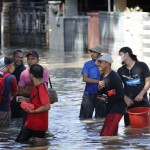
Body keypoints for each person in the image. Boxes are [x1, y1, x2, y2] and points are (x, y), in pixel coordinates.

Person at [15, 64, 50, 143]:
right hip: (30, 123)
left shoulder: (42, 88)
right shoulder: (36, 87)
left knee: (39, 146)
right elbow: (36, 101)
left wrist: (34, 111)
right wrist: (26, 99)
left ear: (31, 75)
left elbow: (47, 106)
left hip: (39, 124)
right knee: (19, 142)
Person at [117, 47, 150, 127]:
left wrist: (141, 94)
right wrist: (125, 98)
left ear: (127, 54)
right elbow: (118, 87)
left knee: (144, 128)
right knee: (128, 128)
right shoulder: (120, 70)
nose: (119, 57)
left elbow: (148, 81)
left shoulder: (142, 65)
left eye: (120, 54)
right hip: (128, 103)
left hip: (143, 101)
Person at [97, 53, 126, 136]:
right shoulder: (102, 76)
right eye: (98, 62)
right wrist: (99, 88)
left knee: (106, 135)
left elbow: (120, 95)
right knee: (111, 135)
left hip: (117, 109)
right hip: (109, 108)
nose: (98, 64)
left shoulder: (114, 77)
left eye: (100, 62)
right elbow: (101, 93)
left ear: (107, 63)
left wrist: (106, 99)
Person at [18, 50, 49, 124]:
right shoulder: (24, 73)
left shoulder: (44, 71)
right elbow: (20, 90)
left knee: (39, 122)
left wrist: (28, 88)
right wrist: (34, 90)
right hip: (28, 102)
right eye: (29, 59)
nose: (30, 61)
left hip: (40, 102)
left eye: (33, 59)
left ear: (38, 60)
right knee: (26, 122)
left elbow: (44, 88)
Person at [79, 44, 105, 119]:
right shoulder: (87, 64)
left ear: (99, 54)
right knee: (85, 118)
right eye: (91, 52)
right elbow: (85, 78)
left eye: (94, 52)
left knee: (101, 118)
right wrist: (98, 82)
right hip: (88, 94)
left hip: (101, 95)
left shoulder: (104, 64)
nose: (92, 54)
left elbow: (105, 77)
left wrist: (98, 65)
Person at [0, 58, 18, 127]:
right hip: (5, 110)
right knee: (4, 133)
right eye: (12, 65)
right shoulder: (11, 77)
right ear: (8, 66)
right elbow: (15, 93)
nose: (13, 67)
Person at [11, 49, 26, 118]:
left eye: (21, 57)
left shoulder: (23, 70)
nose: (20, 59)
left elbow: (20, 88)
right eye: (18, 57)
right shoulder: (9, 67)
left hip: (17, 100)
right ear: (13, 57)